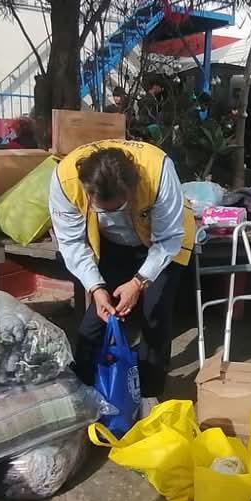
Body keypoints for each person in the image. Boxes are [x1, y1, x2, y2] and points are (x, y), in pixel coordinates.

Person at [49, 139, 195, 408]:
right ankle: (83, 392)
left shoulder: (158, 171)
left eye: (117, 207)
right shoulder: (65, 180)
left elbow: (168, 239)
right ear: (87, 192)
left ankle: (150, 394)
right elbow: (71, 243)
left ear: (132, 188)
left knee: (154, 313)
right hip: (113, 245)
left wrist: (139, 282)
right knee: (96, 320)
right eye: (101, 209)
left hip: (162, 241)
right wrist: (96, 287)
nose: (110, 214)